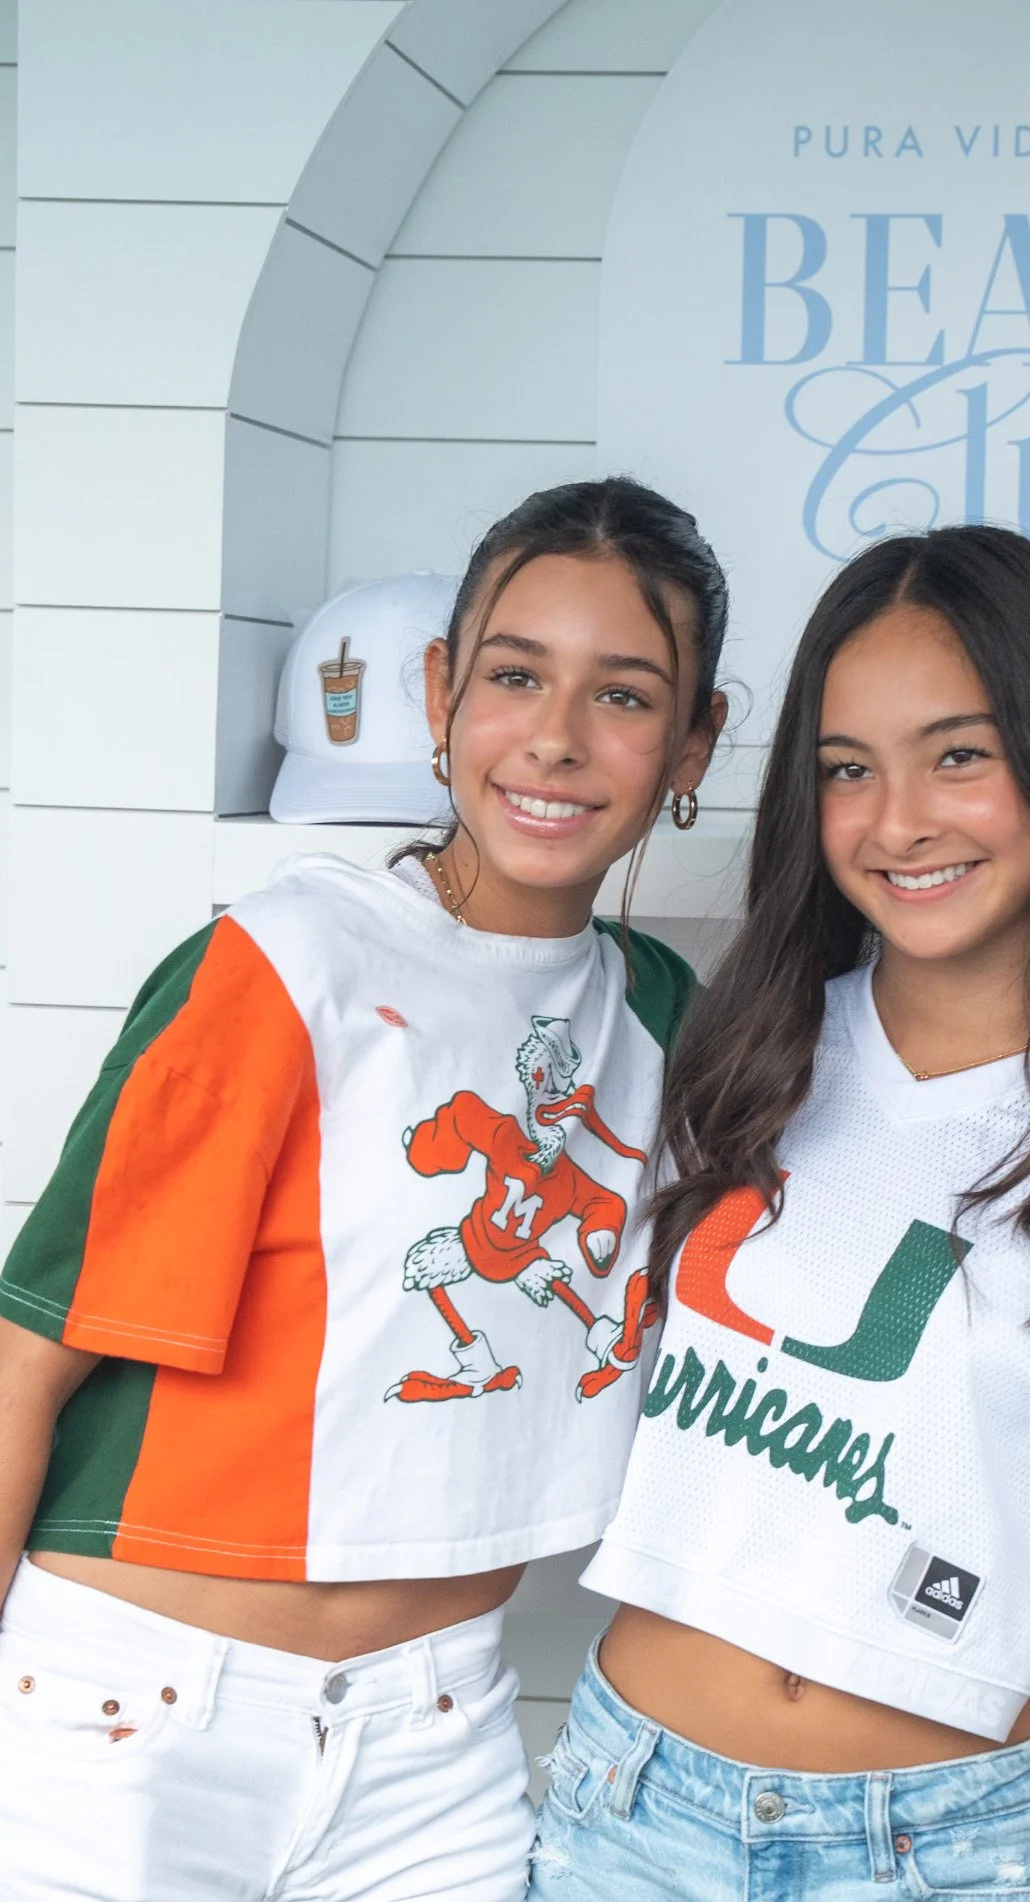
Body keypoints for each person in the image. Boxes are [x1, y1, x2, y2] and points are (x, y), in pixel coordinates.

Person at [0, 476, 728, 1902]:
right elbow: (26, 1365)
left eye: (626, 696)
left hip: (438, 1743)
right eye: (515, 675)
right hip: (126, 1721)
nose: (557, 739)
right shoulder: (283, 965)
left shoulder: (666, 1020)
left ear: (692, 739)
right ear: (442, 692)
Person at [527, 525, 1030, 1902]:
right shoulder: (738, 1057)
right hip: (619, 1814)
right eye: (845, 769)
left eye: (959, 756)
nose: (896, 820)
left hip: (934, 1856)